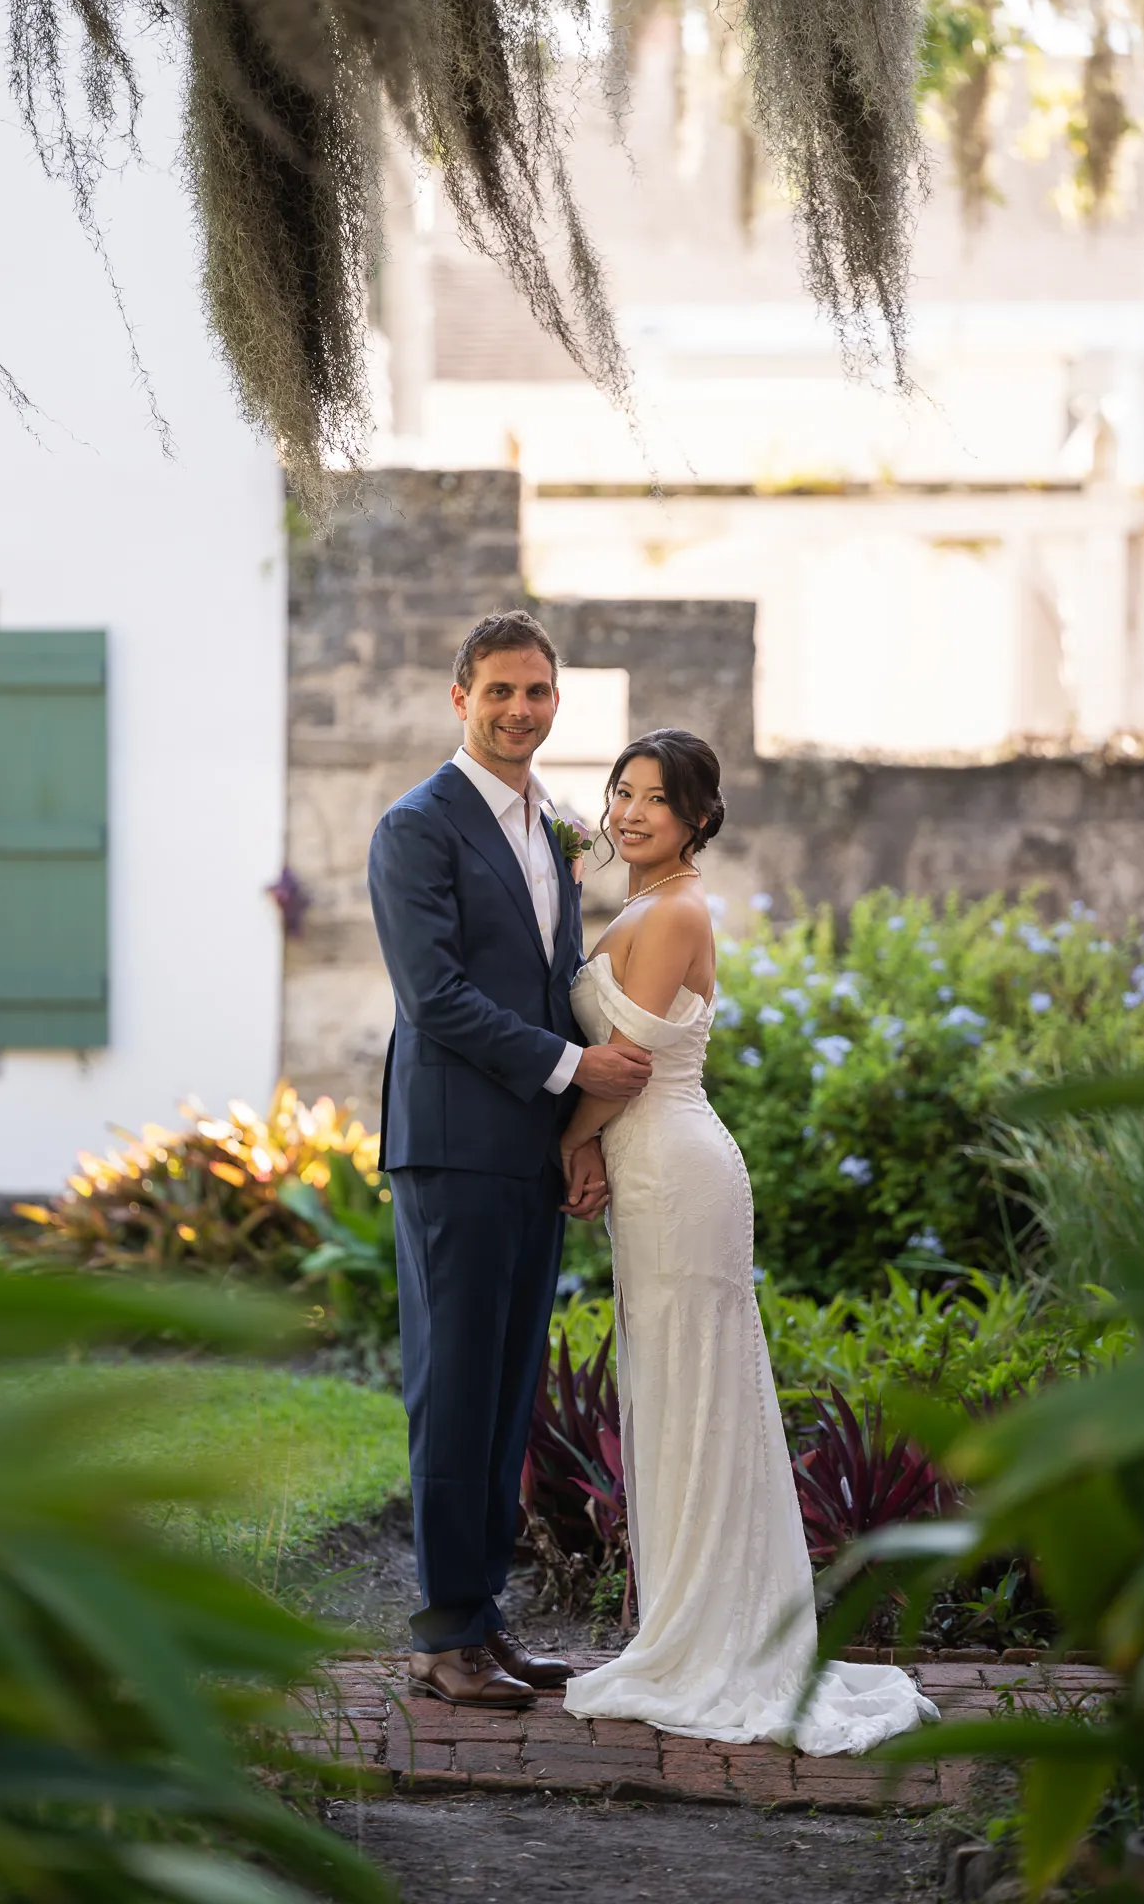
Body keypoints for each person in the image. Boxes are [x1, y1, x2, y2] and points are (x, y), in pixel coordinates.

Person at [560, 729, 940, 1754]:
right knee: (673, 1389)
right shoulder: (639, 902)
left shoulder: (677, 907)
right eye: (621, 792)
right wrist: (587, 1152)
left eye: (655, 798)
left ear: (698, 817)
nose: (631, 811)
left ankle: (711, 1640)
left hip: (678, 1168)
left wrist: (571, 1148)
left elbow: (628, 1064)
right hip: (647, 1168)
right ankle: (687, 1620)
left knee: (696, 1391)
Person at [367, 610, 652, 1709]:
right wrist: (573, 1070)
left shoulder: (553, 827)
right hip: (450, 1145)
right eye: (499, 691)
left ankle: (483, 1622)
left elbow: (548, 975)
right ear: (460, 698)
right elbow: (434, 998)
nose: (520, 709)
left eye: (537, 691)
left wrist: (574, 1136)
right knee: (453, 1388)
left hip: (526, 1147)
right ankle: (442, 1633)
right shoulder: (417, 826)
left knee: (504, 1391)